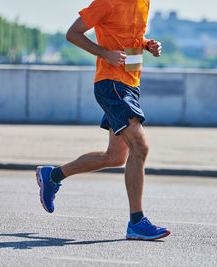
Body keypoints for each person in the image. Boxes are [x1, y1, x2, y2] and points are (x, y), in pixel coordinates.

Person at [35, 0, 170, 241]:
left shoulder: (144, 2)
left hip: (131, 85)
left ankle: (52, 176)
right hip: (112, 84)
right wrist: (103, 53)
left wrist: (146, 44)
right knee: (140, 147)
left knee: (116, 157)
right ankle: (137, 222)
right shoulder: (107, 1)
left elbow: (128, 36)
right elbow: (72, 33)